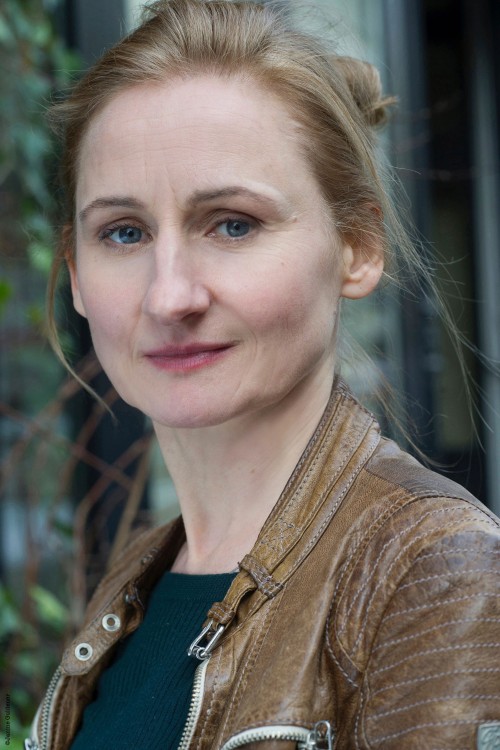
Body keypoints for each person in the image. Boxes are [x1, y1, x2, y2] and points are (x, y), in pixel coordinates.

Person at [26, 1, 500, 748]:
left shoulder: (434, 573)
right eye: (124, 232)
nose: (169, 296)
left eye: (232, 223)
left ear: (357, 246)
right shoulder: (138, 579)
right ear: (77, 276)